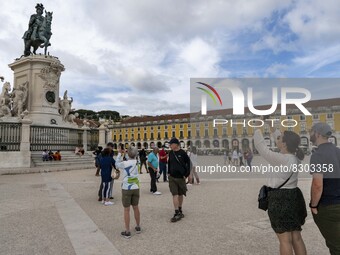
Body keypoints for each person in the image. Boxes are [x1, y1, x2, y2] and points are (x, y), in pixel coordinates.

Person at [254, 127, 307, 255]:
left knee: (285, 240)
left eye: (279, 138)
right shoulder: (295, 159)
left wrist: (257, 128)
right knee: (296, 238)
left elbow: (261, 148)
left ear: (284, 144)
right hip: (294, 197)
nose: (277, 139)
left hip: (279, 199)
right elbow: (284, 143)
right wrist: (274, 130)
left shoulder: (282, 159)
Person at [309, 122, 340, 254]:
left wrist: (313, 205)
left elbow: (317, 185)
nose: (310, 134)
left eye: (311, 132)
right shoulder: (338, 151)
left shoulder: (317, 155)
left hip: (329, 206)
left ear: (317, 134)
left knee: (336, 246)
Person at [115, 146, 141, 239]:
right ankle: (138, 227)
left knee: (126, 209)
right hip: (136, 187)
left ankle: (127, 231)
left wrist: (119, 153)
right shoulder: (138, 162)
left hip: (127, 187)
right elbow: (134, 156)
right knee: (136, 207)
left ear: (127, 154)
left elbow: (116, 163)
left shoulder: (125, 163)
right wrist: (128, 153)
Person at [167, 137, 191, 222]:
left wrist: (187, 175)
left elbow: (189, 163)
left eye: (171, 144)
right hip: (172, 177)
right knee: (175, 194)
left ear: (176, 144)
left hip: (181, 177)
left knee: (180, 194)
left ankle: (180, 209)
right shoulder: (170, 153)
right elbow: (169, 163)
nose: (170, 145)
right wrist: (169, 172)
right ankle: (176, 212)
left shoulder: (183, 153)